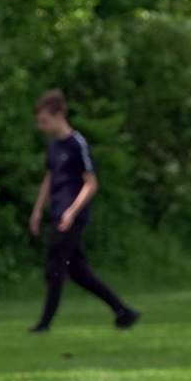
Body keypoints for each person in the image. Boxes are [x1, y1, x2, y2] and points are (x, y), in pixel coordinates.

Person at [28, 90, 140, 333]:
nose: (41, 127)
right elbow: (49, 178)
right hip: (58, 211)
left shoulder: (77, 144)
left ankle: (44, 324)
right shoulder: (53, 146)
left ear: (59, 115)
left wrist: (72, 212)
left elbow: (91, 183)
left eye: (44, 121)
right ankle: (124, 312)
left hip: (72, 215)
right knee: (78, 271)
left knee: (55, 265)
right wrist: (37, 209)